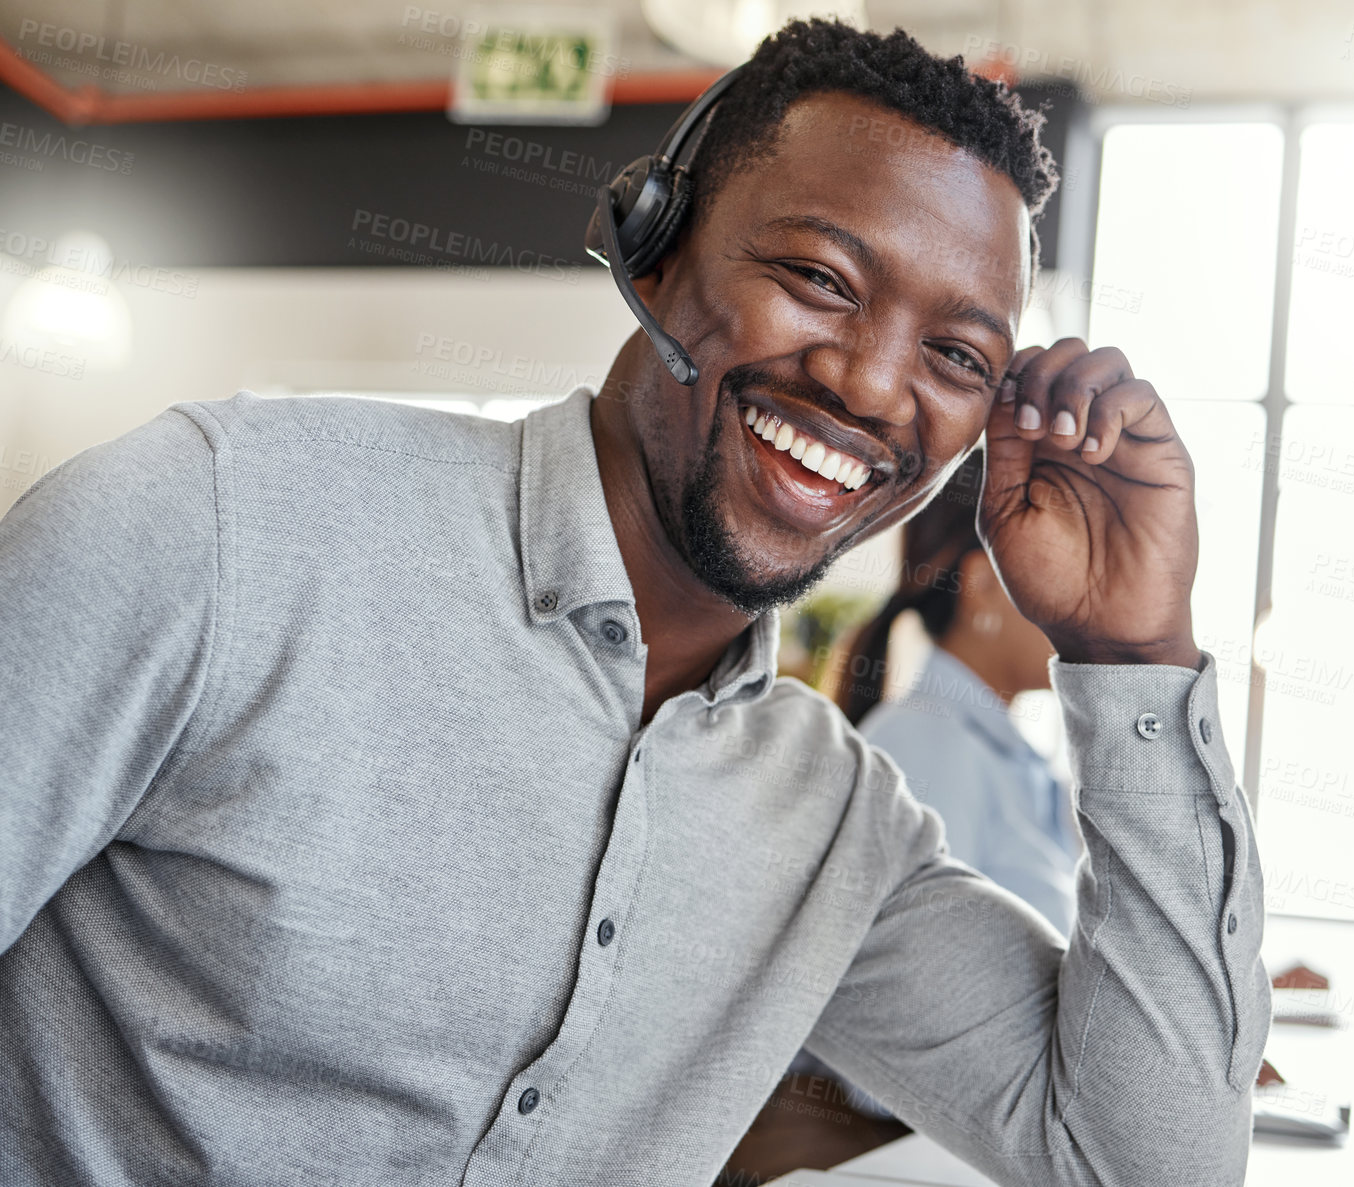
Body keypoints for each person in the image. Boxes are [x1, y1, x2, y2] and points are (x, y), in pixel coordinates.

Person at [0, 19, 1270, 1187]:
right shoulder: (217, 528)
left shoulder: (832, 830)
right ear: (653, 244)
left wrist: (1135, 653)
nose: (873, 383)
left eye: (956, 357)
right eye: (823, 278)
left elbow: (1143, 1162)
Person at [835, 446, 1079, 936]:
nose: (1080, 600)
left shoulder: (1009, 756)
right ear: (984, 585)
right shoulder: (925, 746)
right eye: (1066, 567)